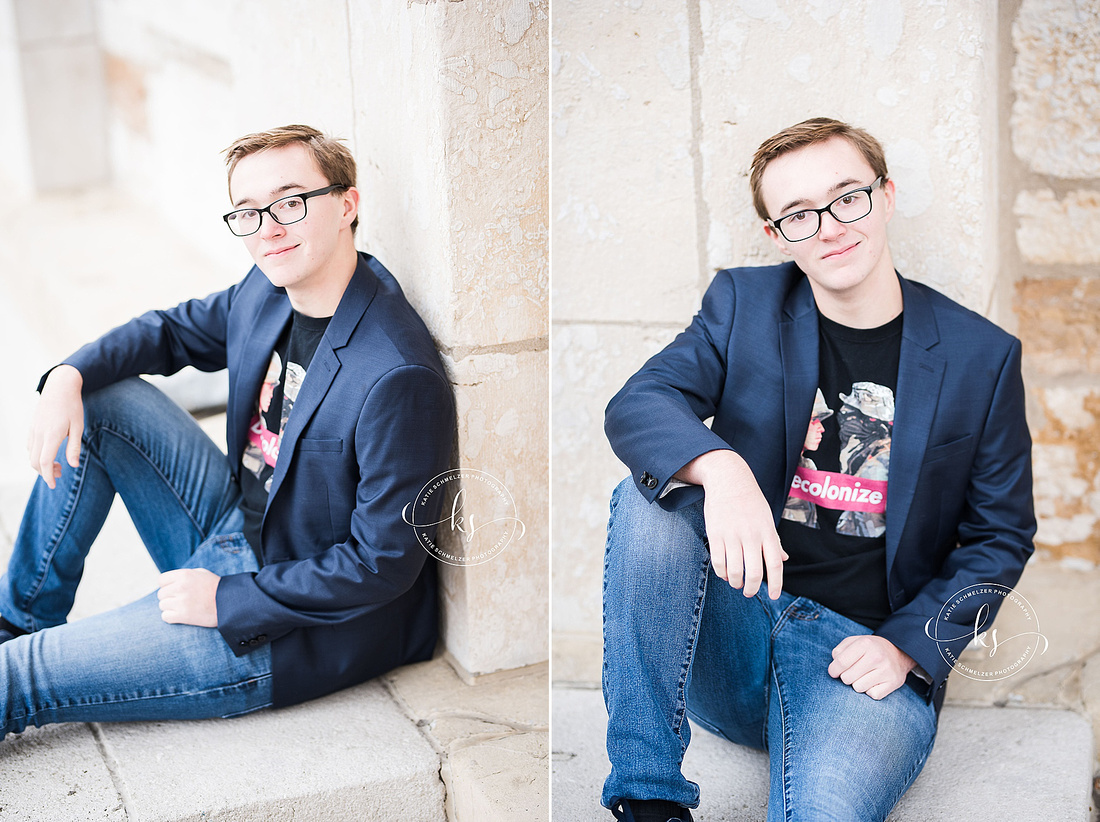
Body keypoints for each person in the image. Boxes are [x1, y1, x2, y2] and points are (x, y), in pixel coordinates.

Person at [601, 118, 1035, 822]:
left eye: (847, 198)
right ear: (777, 235)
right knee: (648, 500)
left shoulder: (980, 357)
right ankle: (648, 796)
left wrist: (909, 650)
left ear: (885, 197)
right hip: (735, 633)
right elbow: (641, 402)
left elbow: (1001, 537)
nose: (829, 227)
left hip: (860, 656)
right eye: (800, 214)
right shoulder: (742, 306)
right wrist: (722, 471)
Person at [0, 125, 455, 736]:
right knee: (103, 395)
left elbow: (383, 564)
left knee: (16, 678)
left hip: (287, 625)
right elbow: (167, 332)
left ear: (346, 204)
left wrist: (228, 600)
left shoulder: (396, 373)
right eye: (248, 212)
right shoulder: (267, 291)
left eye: (291, 201)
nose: (268, 227)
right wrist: (67, 374)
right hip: (234, 524)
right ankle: (16, 619)